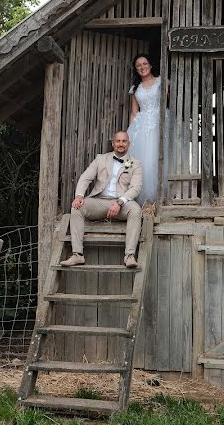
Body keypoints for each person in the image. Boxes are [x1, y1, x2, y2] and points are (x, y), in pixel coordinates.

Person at [59, 131, 143, 269]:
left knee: (135, 210)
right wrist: (79, 195)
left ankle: (129, 256)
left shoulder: (135, 163)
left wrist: (120, 202)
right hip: (99, 201)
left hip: (121, 203)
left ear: (129, 144)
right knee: (77, 208)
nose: (121, 144)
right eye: (118, 141)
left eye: (124, 141)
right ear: (113, 143)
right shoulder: (101, 159)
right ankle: (77, 255)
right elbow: (85, 177)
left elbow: (136, 188)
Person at [126, 54, 169, 204]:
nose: (142, 67)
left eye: (145, 64)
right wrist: (129, 134)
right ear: (136, 69)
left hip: (159, 122)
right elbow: (134, 112)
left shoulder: (161, 81)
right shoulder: (135, 88)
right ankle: (146, 200)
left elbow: (169, 101)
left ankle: (161, 196)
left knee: (157, 159)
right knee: (143, 162)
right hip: (141, 126)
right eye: (139, 66)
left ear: (150, 65)